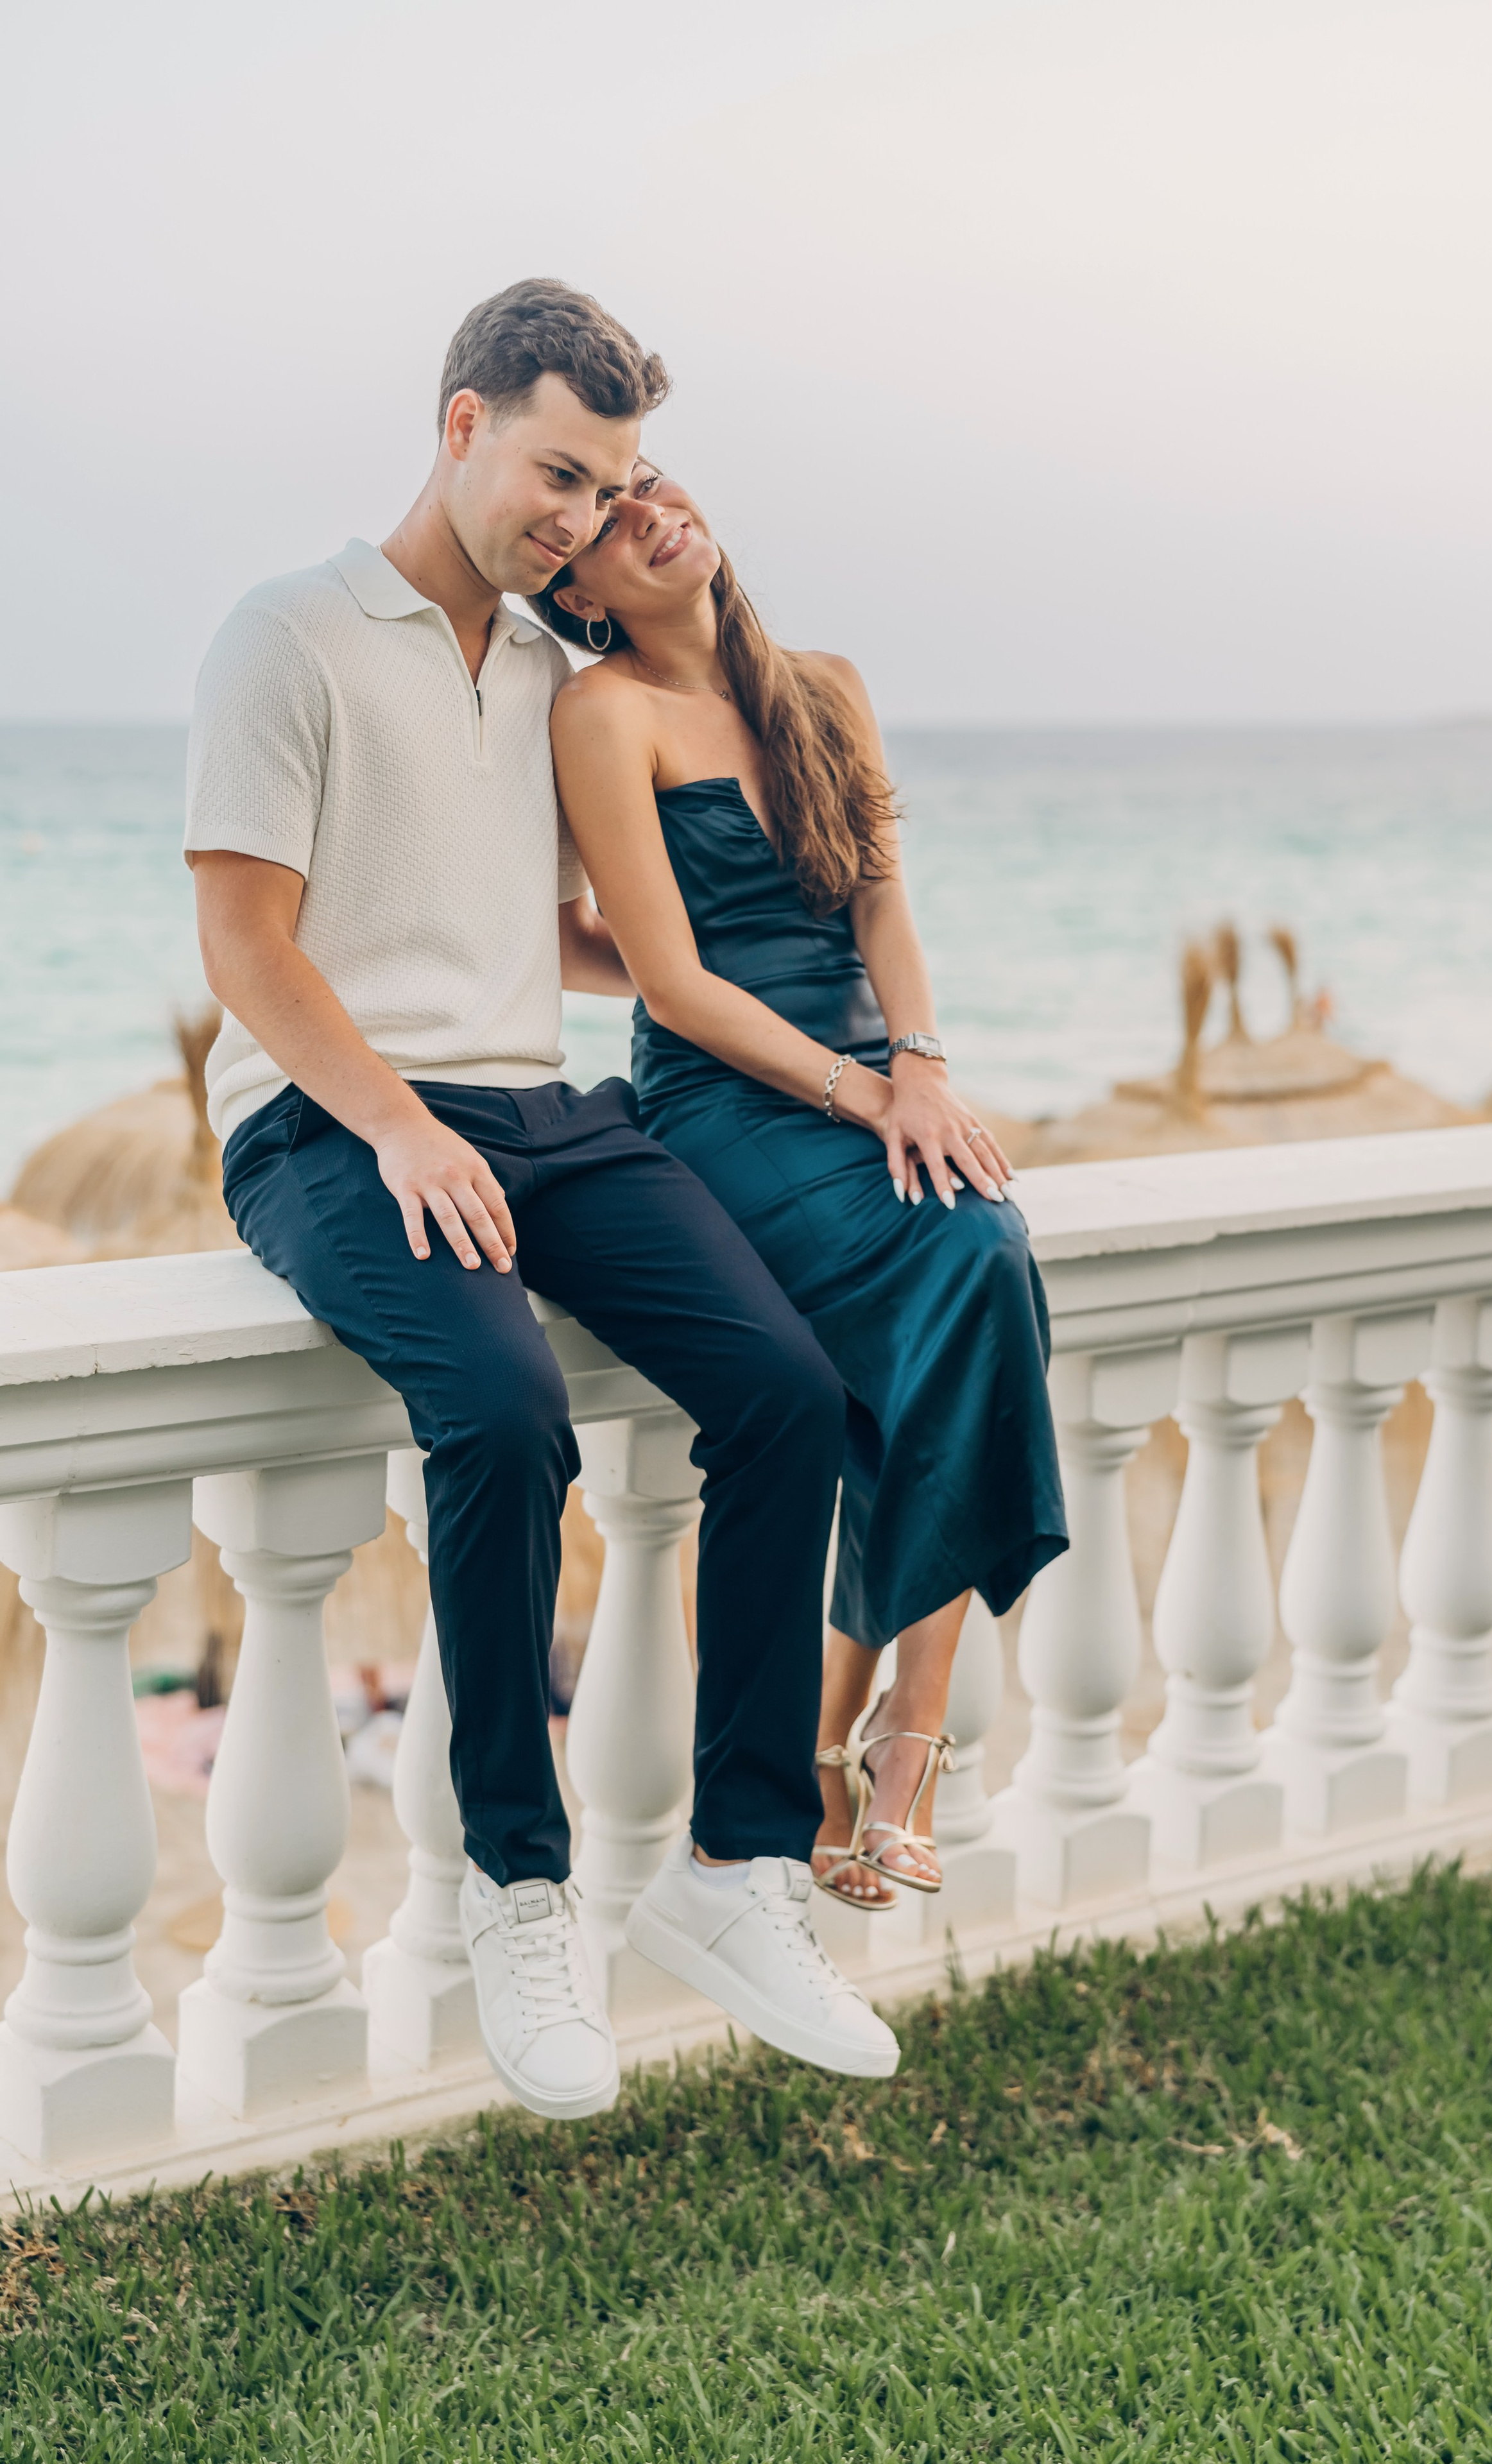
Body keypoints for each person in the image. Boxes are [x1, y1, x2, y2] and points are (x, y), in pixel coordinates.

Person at [184, 280, 900, 2118]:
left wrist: (782, 975)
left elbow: (561, 935)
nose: (578, 517)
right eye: (560, 471)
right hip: (329, 1124)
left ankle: (737, 1876)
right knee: (500, 1411)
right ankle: (520, 1884)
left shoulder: (557, 682)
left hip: (539, 1111)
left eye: (611, 486)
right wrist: (399, 1129)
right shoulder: (286, 638)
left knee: (788, 1392)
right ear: (460, 423)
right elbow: (249, 947)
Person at [544, 465, 1068, 1912]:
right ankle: (894, 1753)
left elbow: (883, 899)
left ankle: (867, 1747)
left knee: (978, 1263)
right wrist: (863, 1093)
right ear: (580, 593)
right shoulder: (603, 713)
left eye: (648, 482)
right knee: (967, 1264)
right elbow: (665, 980)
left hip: (864, 1071)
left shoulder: (824, 686)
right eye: (608, 520)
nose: (650, 510)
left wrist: (922, 1064)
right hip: (726, 1104)